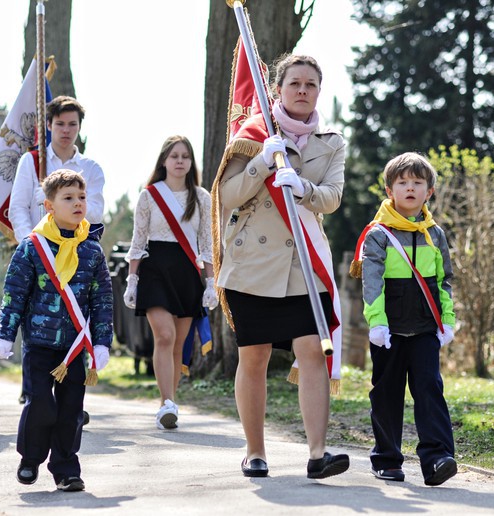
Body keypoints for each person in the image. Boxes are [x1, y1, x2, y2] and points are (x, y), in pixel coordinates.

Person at [211, 54, 349, 479]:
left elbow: (333, 197)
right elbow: (228, 195)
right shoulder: (253, 135)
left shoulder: (332, 141)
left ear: (318, 92)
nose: (303, 91)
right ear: (278, 89)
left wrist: (302, 187)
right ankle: (255, 452)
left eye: (311, 84)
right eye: (295, 84)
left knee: (311, 350)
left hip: (303, 263)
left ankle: (318, 453)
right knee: (255, 355)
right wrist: (262, 163)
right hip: (253, 262)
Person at [0, 170, 113, 492]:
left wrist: (102, 342)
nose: (78, 204)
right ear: (49, 205)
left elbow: (102, 298)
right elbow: (15, 293)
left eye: (82, 197)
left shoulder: (91, 250)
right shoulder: (32, 247)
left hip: (75, 347)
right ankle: (30, 459)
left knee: (72, 410)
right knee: (42, 405)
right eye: (68, 198)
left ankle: (65, 469)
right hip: (40, 344)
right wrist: (6, 333)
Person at [351, 152, 457, 486]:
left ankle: (437, 457)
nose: (410, 188)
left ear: (429, 192)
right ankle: (386, 458)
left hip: (426, 329)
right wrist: (377, 323)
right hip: (390, 331)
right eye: (402, 182)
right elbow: (371, 283)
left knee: (429, 389)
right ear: (389, 188)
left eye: (417, 182)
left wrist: (447, 321)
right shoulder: (378, 235)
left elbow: (444, 281)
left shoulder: (435, 234)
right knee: (387, 392)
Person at [9, 95, 106, 405]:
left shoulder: (90, 168)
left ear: (79, 127)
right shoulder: (32, 161)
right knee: (36, 318)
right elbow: (18, 208)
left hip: (76, 256)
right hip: (40, 255)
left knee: (74, 320)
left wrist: (66, 202)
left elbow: (97, 213)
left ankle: (70, 396)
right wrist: (32, 244)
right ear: (48, 126)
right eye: (60, 123)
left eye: (72, 124)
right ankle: (34, 393)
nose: (66, 130)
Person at [123, 135, 217, 430]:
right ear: (164, 161)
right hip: (155, 270)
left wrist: (211, 283)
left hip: (187, 271)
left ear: (191, 163)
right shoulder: (149, 195)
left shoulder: (202, 197)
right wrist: (132, 280)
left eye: (185, 156)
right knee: (164, 335)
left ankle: (172, 402)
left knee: (178, 343)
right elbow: (139, 240)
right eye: (174, 156)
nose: (180, 161)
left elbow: (206, 243)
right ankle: (165, 402)